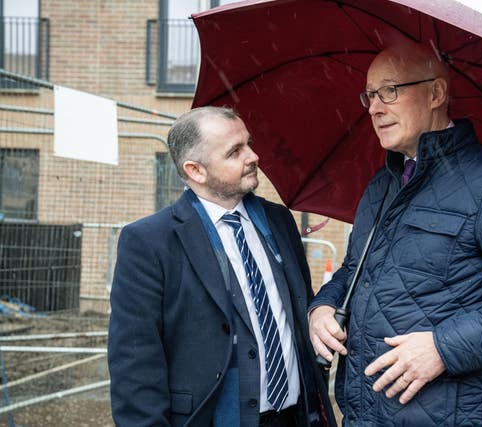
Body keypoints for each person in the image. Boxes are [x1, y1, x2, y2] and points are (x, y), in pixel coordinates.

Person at [309, 41, 482, 426]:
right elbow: (354, 271)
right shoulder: (381, 186)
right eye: (370, 95)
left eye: (390, 91)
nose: (374, 107)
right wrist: (321, 307)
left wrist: (442, 348)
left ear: (436, 93)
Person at [108, 106, 336, 427]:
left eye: (249, 143)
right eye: (235, 151)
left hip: (295, 418)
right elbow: (135, 365)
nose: (253, 156)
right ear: (196, 171)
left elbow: (299, 312)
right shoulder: (149, 242)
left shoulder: (278, 221)